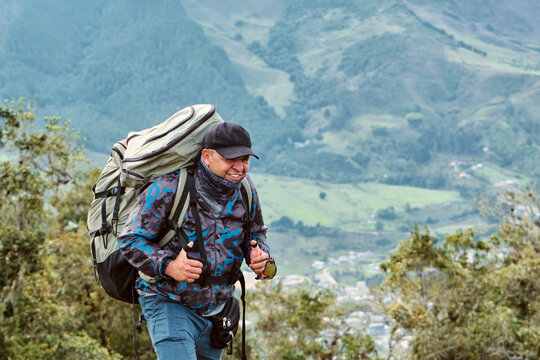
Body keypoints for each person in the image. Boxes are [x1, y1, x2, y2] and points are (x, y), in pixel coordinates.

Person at [118, 121, 274, 359]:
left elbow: (256, 232)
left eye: (245, 159)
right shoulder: (169, 187)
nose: (239, 167)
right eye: (230, 158)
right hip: (169, 302)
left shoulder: (245, 190)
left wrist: (259, 255)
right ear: (207, 156)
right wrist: (169, 266)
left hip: (218, 312)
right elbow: (130, 238)